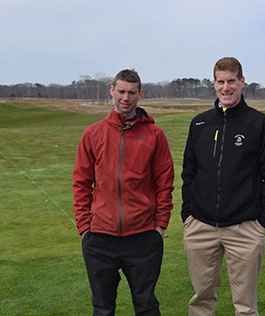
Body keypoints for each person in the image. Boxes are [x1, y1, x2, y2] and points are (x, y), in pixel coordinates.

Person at [181, 57, 265, 316]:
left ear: (241, 82)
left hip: (245, 227)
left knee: (246, 306)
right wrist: (188, 214)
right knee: (201, 300)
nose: (225, 88)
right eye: (220, 82)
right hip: (201, 226)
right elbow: (189, 173)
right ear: (214, 84)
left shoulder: (260, 124)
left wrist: (262, 222)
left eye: (231, 82)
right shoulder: (200, 123)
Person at [72, 69, 174, 316]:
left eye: (131, 92)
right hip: (100, 238)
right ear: (112, 91)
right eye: (121, 91)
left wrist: (160, 224)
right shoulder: (93, 133)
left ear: (140, 94)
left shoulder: (154, 135)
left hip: (143, 237)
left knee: (147, 306)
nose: (125, 98)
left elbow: (165, 182)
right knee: (103, 308)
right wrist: (85, 227)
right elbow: (81, 183)